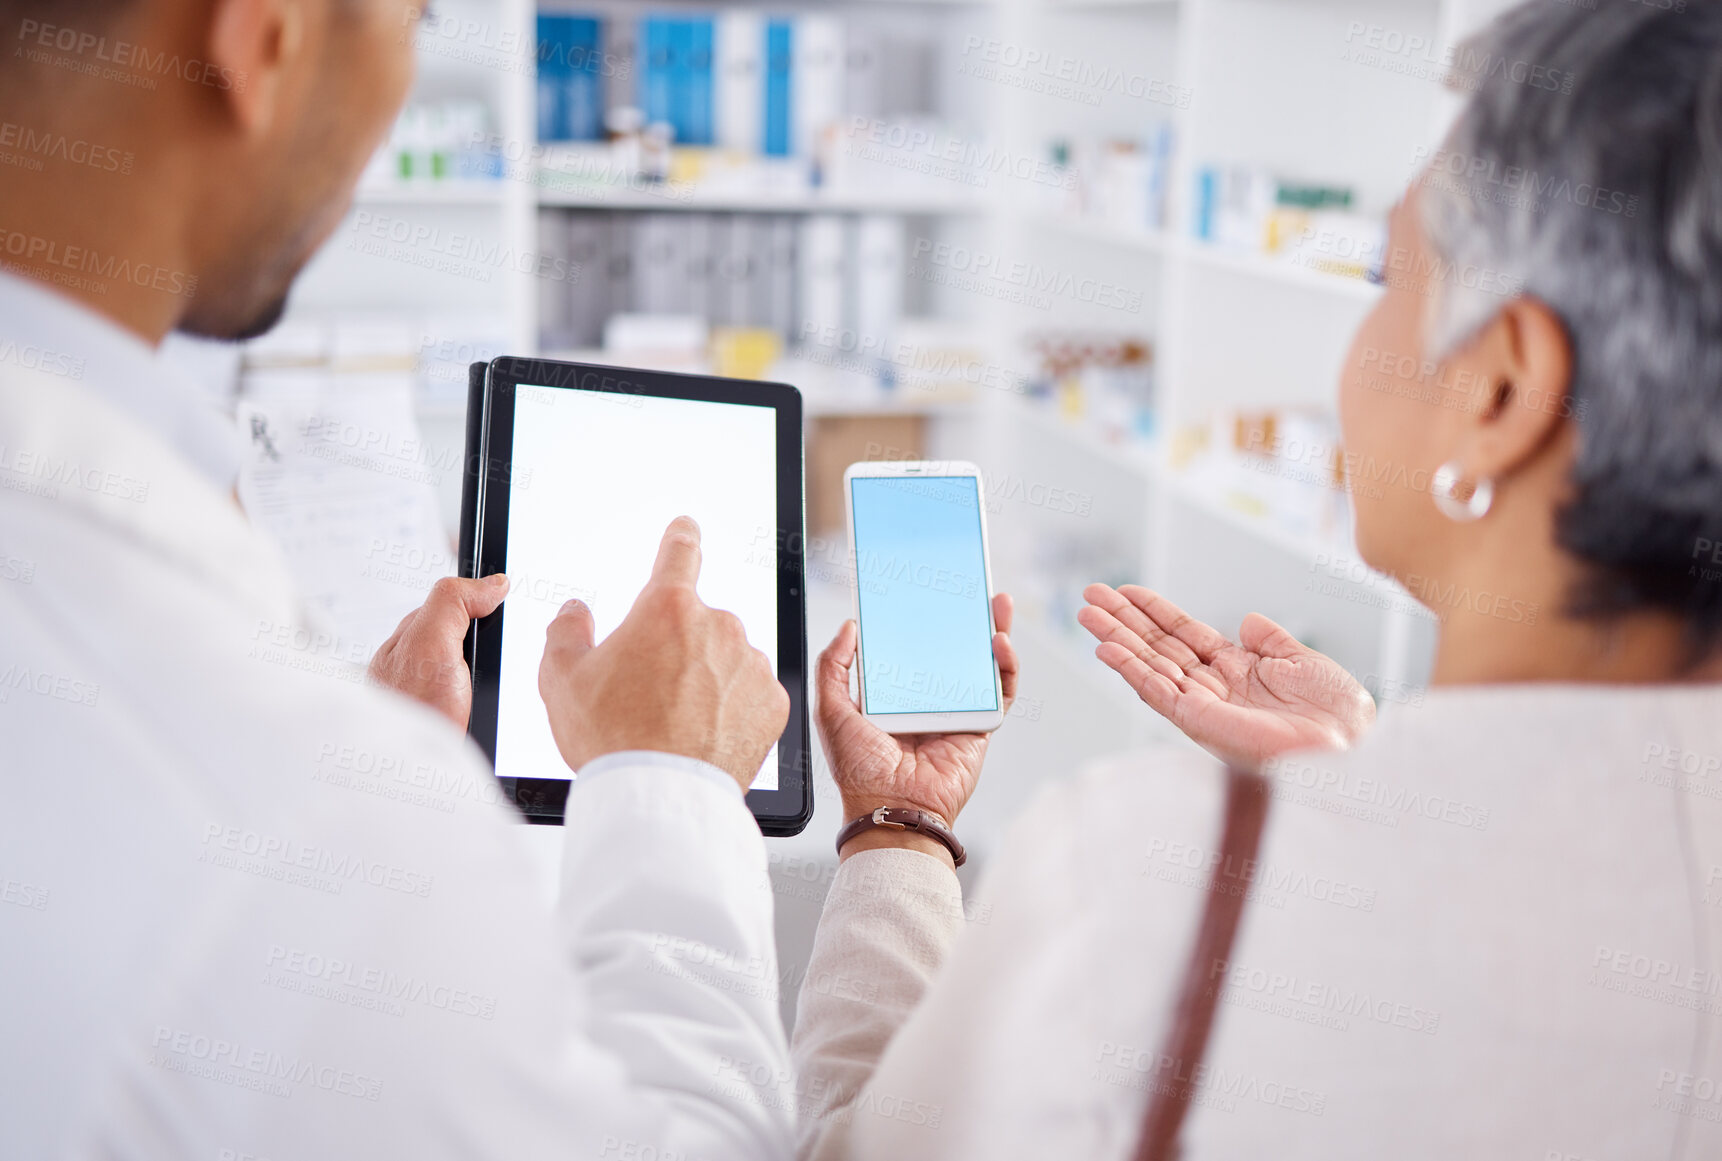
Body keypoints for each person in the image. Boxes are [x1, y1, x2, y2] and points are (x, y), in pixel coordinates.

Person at [790, 1, 1722, 1157]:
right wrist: (1367, 776)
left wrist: (899, 828)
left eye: (1386, 279)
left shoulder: (1140, 880)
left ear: (1501, 395)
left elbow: (847, 1145)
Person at [0, 0, 884, 1157]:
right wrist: (667, 783)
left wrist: (373, 761)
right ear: (263, 41)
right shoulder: (287, 804)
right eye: (413, 18)